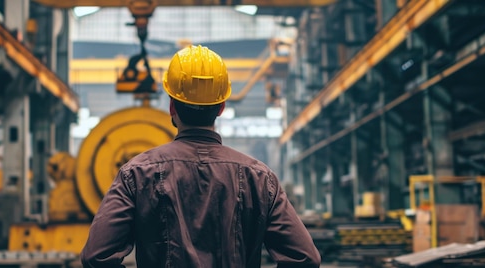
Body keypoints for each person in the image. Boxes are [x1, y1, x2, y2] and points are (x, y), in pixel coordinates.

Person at [80, 45, 321, 268]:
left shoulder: (136, 174)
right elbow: (304, 258)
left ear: (172, 107)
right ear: (221, 107)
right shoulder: (258, 178)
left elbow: (96, 255)